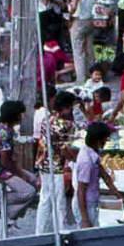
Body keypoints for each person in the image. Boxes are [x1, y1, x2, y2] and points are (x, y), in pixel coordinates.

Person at [0, 101, 38, 222]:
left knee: (33, 179)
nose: (23, 116)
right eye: (21, 114)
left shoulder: (3, 128)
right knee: (29, 192)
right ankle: (0, 202)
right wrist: (21, 174)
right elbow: (5, 161)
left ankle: (10, 212)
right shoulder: (4, 133)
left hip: (1, 167)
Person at [35, 91, 75, 234]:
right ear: (65, 107)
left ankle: (40, 232)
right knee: (59, 201)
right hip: (56, 166)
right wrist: (74, 159)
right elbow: (64, 148)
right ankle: (62, 231)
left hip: (43, 162)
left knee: (45, 198)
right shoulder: (64, 124)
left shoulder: (48, 119)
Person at [72, 121, 120, 229]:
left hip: (92, 200)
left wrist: (117, 194)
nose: (106, 141)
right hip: (86, 205)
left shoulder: (91, 151)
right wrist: (85, 219)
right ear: (99, 141)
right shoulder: (86, 162)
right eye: (105, 139)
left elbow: (103, 173)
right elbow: (81, 191)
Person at [68, 0, 97, 84]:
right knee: (89, 49)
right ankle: (92, 74)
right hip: (90, 19)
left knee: (78, 50)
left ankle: (80, 79)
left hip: (79, 20)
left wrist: (69, 12)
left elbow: (74, 6)